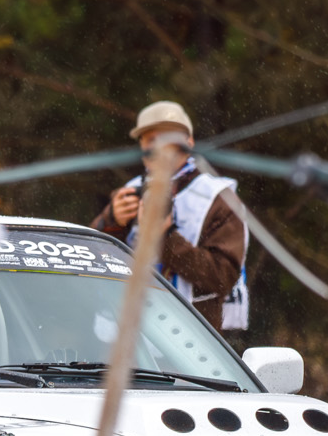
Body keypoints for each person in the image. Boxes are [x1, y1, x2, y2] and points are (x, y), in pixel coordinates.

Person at [92, 99, 249, 330]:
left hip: (192, 336)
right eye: (150, 139)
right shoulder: (130, 192)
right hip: (127, 330)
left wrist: (165, 238)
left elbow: (223, 278)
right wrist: (112, 222)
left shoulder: (218, 199)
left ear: (189, 142)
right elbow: (90, 258)